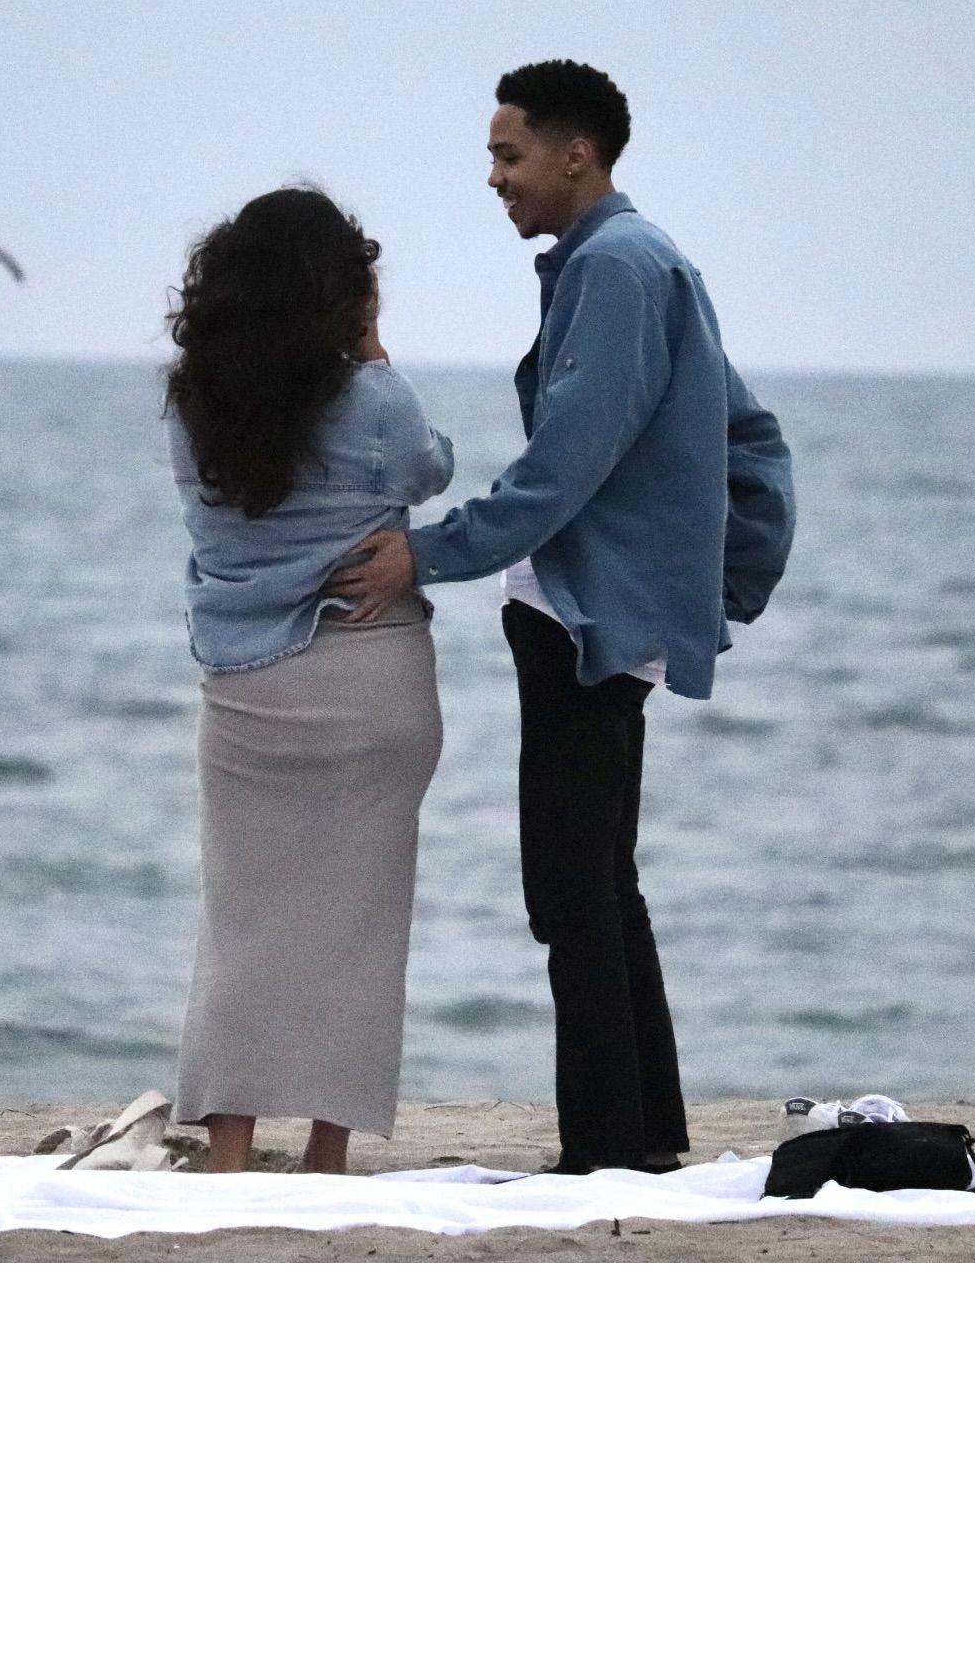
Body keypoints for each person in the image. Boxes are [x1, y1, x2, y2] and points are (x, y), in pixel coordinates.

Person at [329, 60, 795, 1175]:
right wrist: (703, 585)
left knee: (572, 892)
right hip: (610, 609)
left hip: (584, 616)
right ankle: (644, 1137)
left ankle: (606, 1153)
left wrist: (427, 553)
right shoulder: (630, 258)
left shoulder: (619, 268)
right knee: (600, 885)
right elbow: (750, 442)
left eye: (510, 155)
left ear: (576, 155)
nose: (494, 178)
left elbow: (566, 465)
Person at [163, 186, 454, 1175]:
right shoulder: (371, 398)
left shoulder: (195, 403)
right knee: (359, 927)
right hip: (371, 672)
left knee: (242, 922)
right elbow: (429, 470)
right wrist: (374, 351)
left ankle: (231, 1146)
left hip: (248, 687)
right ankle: (328, 1149)